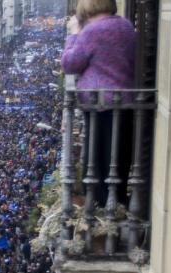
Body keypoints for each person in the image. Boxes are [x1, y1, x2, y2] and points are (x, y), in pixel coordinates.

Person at [61, 0, 136, 204]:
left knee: (98, 165)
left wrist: (75, 33)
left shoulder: (91, 31)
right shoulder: (126, 26)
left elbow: (69, 64)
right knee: (117, 160)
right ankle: (115, 204)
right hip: (125, 102)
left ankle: (104, 209)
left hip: (101, 106)